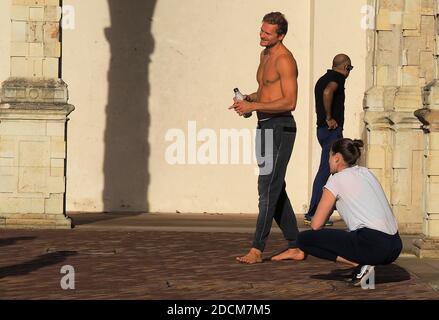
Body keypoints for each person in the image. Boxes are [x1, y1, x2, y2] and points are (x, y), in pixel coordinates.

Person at [229, 12, 302, 264]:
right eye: (261, 30)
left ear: (280, 35)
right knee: (274, 186)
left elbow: (290, 101)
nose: (261, 35)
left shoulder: (285, 60)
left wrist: (254, 106)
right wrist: (249, 99)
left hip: (281, 128)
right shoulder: (265, 54)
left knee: (267, 188)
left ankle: (257, 249)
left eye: (267, 33)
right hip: (264, 126)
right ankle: (295, 245)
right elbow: (265, 91)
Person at [293, 138, 402, 285]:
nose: (329, 161)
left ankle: (361, 265)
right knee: (351, 233)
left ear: (337, 158)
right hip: (395, 245)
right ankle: (364, 266)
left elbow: (316, 225)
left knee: (304, 239)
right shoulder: (366, 172)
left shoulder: (336, 179)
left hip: (374, 245)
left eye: (329, 157)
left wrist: (330, 205)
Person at [304, 54, 354, 227]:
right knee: (327, 170)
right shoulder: (336, 79)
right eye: (350, 68)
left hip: (323, 131)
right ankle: (313, 213)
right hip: (331, 130)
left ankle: (324, 210)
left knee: (333, 171)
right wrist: (329, 117)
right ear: (346, 66)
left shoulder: (323, 78)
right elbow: (328, 92)